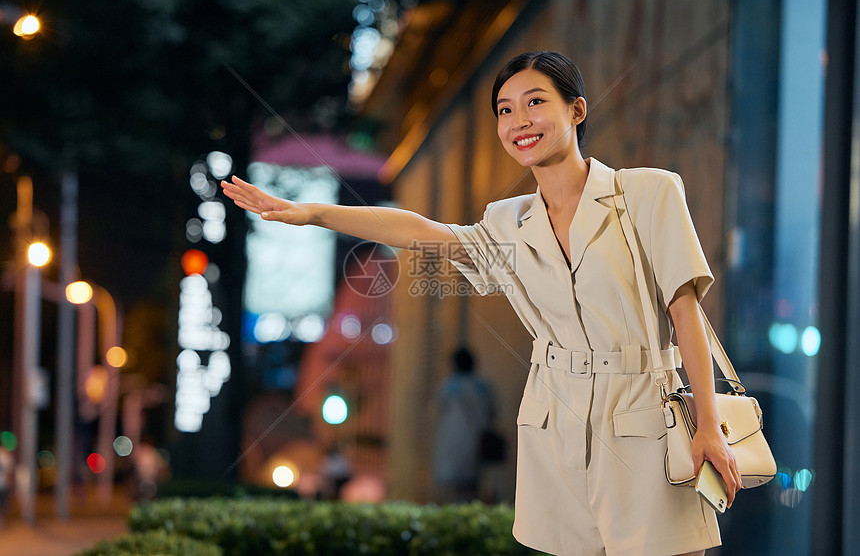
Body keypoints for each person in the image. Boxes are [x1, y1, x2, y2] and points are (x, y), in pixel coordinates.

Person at [222, 51, 741, 556]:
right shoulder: (508, 221)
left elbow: (684, 310)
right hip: (555, 421)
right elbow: (421, 231)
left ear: (576, 109)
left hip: (647, 415)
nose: (520, 120)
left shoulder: (649, 193)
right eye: (505, 109)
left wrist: (709, 425)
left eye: (536, 102)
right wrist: (313, 213)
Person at [431, 347, 496, 503]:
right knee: (473, 490)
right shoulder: (484, 387)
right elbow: (493, 413)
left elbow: (440, 410)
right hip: (477, 442)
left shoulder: (448, 386)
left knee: (451, 492)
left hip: (452, 442)